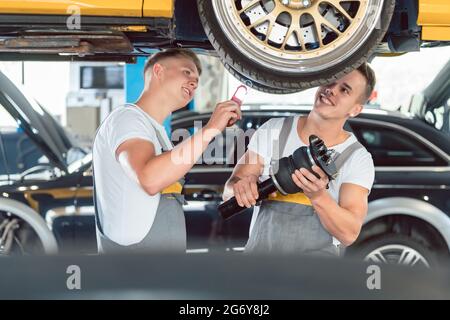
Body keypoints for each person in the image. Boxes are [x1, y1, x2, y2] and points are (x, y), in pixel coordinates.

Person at [93, 48, 241, 253]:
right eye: (187, 72)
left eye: (197, 80)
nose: (194, 82)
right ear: (159, 71)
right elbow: (150, 178)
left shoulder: (159, 134)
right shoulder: (127, 119)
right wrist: (210, 130)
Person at [223, 63, 376, 256]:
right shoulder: (275, 130)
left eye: (344, 90)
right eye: (330, 81)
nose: (331, 90)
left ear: (355, 109)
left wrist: (318, 196)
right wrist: (243, 187)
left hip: (312, 277)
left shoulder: (356, 157)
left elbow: (349, 233)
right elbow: (228, 191)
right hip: (258, 266)